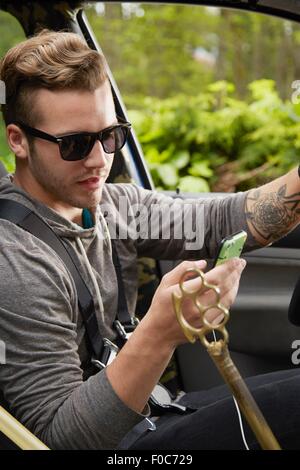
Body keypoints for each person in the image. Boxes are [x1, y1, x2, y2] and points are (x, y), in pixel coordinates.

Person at [0, 29, 300, 451]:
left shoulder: (113, 208)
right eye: (75, 144)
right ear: (19, 140)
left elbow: (219, 222)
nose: (100, 160)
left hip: (156, 414)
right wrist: (160, 333)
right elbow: (63, 438)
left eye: (110, 136)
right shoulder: (14, 259)